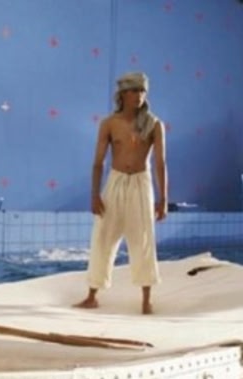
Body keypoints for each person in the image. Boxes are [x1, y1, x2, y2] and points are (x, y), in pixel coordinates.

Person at [75, 71, 167, 315]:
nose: (139, 96)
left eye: (142, 91)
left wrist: (164, 199)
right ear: (123, 94)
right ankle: (92, 295)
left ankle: (146, 301)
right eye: (134, 91)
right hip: (115, 182)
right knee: (103, 236)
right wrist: (94, 194)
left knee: (143, 239)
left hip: (141, 183)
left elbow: (160, 163)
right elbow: (98, 163)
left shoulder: (154, 124)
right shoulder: (109, 124)